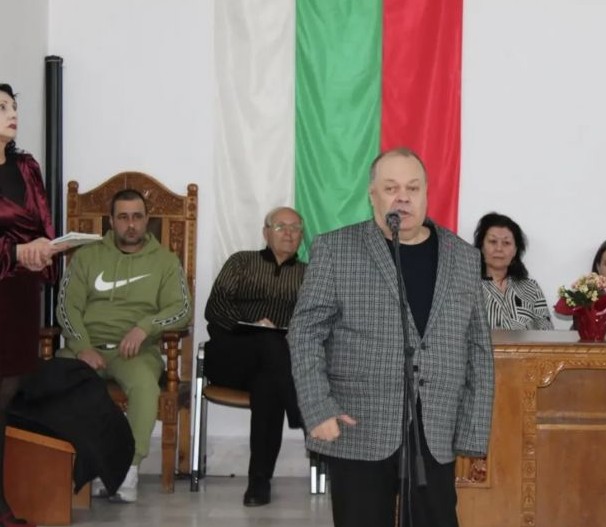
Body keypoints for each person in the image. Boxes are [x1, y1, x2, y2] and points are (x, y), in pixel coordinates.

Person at [288, 147, 494, 527]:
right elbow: (305, 333)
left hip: (435, 428)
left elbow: (478, 348)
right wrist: (318, 407)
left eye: (413, 188)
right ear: (372, 195)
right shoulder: (336, 249)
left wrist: (472, 430)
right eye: (391, 188)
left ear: (427, 193)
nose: (403, 197)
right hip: (359, 425)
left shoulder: (464, 257)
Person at [56, 188, 192, 503]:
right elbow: (66, 307)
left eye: (137, 217)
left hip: (134, 352)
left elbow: (182, 309)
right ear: (111, 220)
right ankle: (76, 464)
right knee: (56, 380)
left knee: (145, 386)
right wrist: (82, 346)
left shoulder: (165, 261)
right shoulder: (87, 257)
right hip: (85, 348)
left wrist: (145, 328)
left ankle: (128, 468)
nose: (131, 224)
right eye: (123, 217)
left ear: (147, 219)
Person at [204, 206, 306, 507]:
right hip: (231, 356)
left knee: (269, 384)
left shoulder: (309, 275)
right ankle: (300, 412)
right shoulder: (241, 262)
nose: (288, 233)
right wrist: (253, 325)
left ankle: (259, 483)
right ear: (266, 232)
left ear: (301, 236)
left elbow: (317, 319)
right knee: (268, 342)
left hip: (277, 367)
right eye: (281, 227)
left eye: (295, 228)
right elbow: (215, 307)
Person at [0, 83, 68, 527]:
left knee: (6, 396)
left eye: (13, 106)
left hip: (19, 297)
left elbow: (45, 225)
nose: (13, 113)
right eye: (2, 106)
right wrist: (13, 251)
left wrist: (44, 249)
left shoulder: (26, 167)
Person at [473, 212, 553, 330]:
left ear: (515, 250)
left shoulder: (531, 288)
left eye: (506, 243)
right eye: (493, 241)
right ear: (481, 247)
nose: (499, 248)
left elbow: (547, 331)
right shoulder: (466, 287)